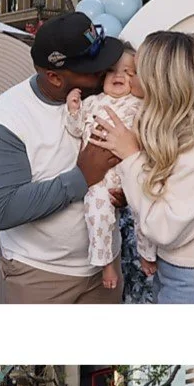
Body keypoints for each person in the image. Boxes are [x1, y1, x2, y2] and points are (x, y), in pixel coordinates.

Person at [0, 12, 126, 305]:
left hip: (105, 266)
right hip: (41, 275)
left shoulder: (106, 97)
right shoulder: (6, 118)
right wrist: (81, 178)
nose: (105, 74)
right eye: (93, 71)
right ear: (55, 77)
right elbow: (1, 209)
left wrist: (125, 192)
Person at [91, 30, 194, 305]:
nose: (127, 78)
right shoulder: (176, 129)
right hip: (184, 271)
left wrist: (130, 157)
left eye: (135, 71)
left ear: (159, 82)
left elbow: (164, 227)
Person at [64, 45, 155, 293]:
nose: (119, 76)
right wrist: (73, 110)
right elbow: (74, 129)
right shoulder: (92, 103)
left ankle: (147, 254)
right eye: (112, 71)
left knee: (144, 210)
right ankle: (106, 263)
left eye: (128, 72)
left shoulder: (140, 104)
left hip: (131, 168)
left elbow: (151, 131)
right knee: (97, 212)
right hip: (99, 179)